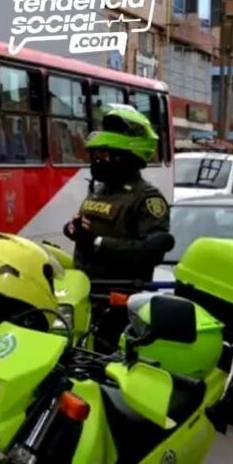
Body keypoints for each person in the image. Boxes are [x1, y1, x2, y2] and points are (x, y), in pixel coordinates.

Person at [63, 104, 173, 350]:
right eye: (94, 157)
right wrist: (73, 230)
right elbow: (88, 231)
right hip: (84, 296)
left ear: (126, 158)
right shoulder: (101, 191)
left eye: (103, 156)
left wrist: (98, 243)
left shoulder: (146, 198)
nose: (96, 163)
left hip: (120, 304)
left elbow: (152, 251)